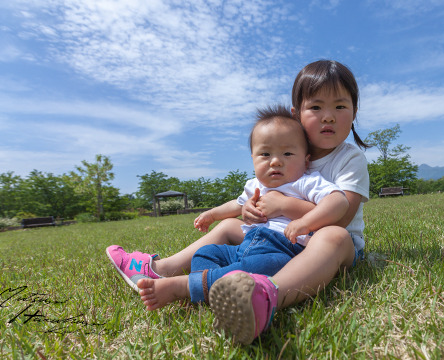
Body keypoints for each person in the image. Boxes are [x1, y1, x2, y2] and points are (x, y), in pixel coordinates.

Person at [106, 59, 369, 344]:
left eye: (340, 107)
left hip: (331, 248)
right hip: (272, 236)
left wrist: (283, 206)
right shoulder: (287, 155)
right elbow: (244, 200)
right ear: (297, 114)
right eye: (316, 107)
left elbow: (341, 216)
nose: (328, 116)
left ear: (354, 112)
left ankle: (268, 296)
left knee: (333, 235)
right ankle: (161, 270)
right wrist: (241, 210)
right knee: (229, 226)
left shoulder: (348, 158)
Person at [107, 106, 349, 311]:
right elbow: (236, 205)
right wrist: (213, 214)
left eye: (287, 153)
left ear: (306, 159)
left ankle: (186, 286)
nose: (276, 161)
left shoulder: (306, 181)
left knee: (258, 268)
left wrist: (303, 221)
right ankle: (212, 293)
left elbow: (337, 202)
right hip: (246, 244)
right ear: (253, 159)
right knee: (207, 253)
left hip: (281, 249)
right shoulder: (255, 185)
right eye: (265, 154)